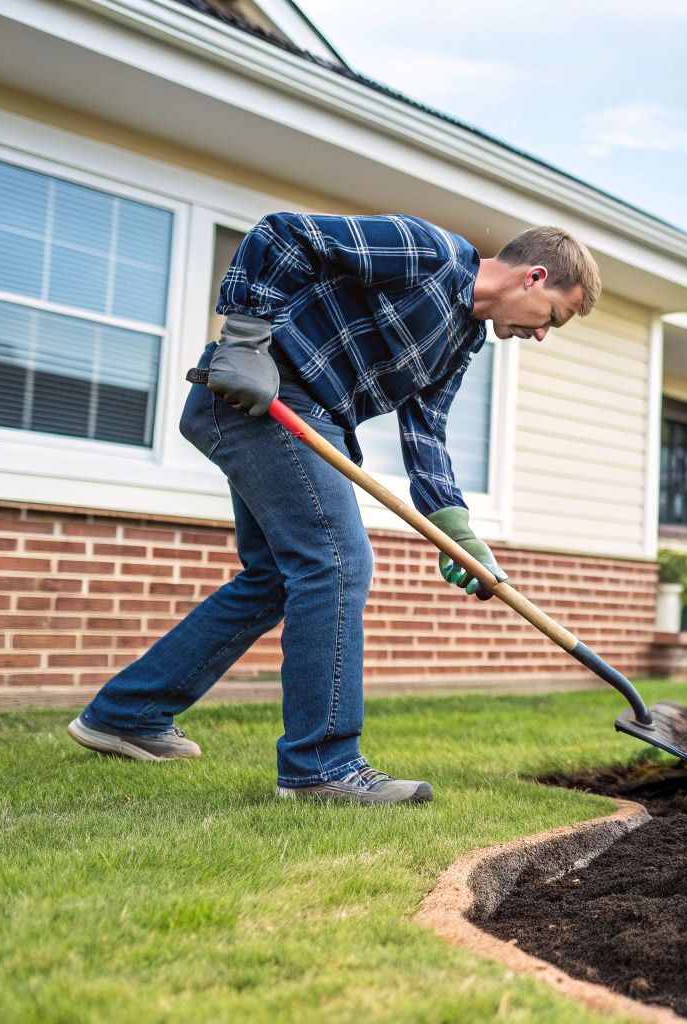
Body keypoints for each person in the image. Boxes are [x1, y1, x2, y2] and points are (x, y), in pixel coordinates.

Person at [66, 214, 600, 805]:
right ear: (535, 277)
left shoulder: (463, 338)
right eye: (555, 316)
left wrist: (457, 532)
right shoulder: (429, 252)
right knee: (338, 563)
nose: (545, 334)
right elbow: (284, 236)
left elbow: (427, 431)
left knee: (275, 578)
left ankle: (127, 713)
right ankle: (322, 767)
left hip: (314, 420)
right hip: (262, 394)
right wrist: (245, 337)